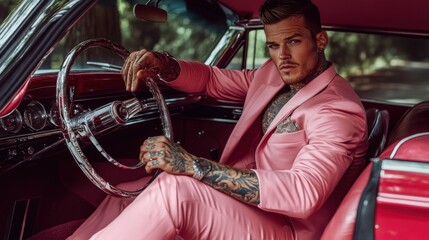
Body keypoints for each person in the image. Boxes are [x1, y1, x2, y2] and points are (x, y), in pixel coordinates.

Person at [68, 0, 367, 239]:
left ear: (320, 40)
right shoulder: (273, 74)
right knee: (132, 192)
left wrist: (192, 165)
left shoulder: (337, 110)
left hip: (289, 228)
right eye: (274, 46)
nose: (282, 56)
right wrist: (163, 65)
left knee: (175, 191)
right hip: (251, 208)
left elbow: (302, 194)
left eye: (294, 41)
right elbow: (211, 79)